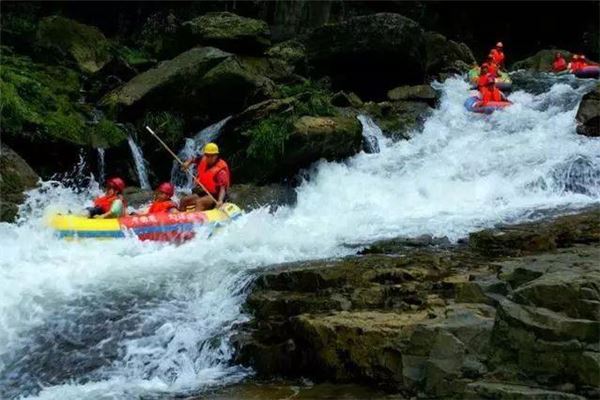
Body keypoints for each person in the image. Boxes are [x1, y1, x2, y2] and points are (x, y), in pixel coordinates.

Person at [180, 142, 230, 211]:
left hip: (215, 196)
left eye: (211, 156)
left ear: (216, 155)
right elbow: (193, 159)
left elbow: (222, 188)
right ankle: (179, 219)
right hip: (205, 192)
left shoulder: (220, 171)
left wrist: (220, 200)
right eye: (207, 155)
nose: (209, 158)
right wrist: (187, 163)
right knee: (184, 200)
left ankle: (195, 220)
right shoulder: (202, 159)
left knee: (199, 202)